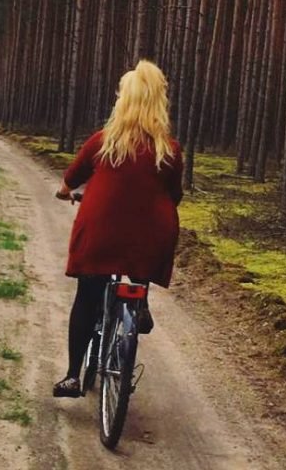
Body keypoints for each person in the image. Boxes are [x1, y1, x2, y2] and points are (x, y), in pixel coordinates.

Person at [52, 59, 183, 398]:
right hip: (151, 237)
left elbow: (71, 179)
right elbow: (175, 194)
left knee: (87, 296)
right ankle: (140, 303)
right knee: (142, 252)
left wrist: (66, 192)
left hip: (101, 234)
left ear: (123, 101)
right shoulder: (169, 149)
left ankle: (72, 376)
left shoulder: (103, 141)